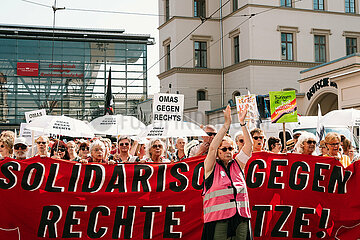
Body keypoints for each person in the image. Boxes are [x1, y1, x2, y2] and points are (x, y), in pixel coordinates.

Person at [202, 105, 253, 240]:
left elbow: (249, 147)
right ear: (218, 152)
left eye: (230, 148)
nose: (228, 151)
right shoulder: (211, 167)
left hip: (241, 216)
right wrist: (226, 125)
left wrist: (243, 123)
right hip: (218, 219)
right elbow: (212, 148)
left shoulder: (237, 164)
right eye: (224, 149)